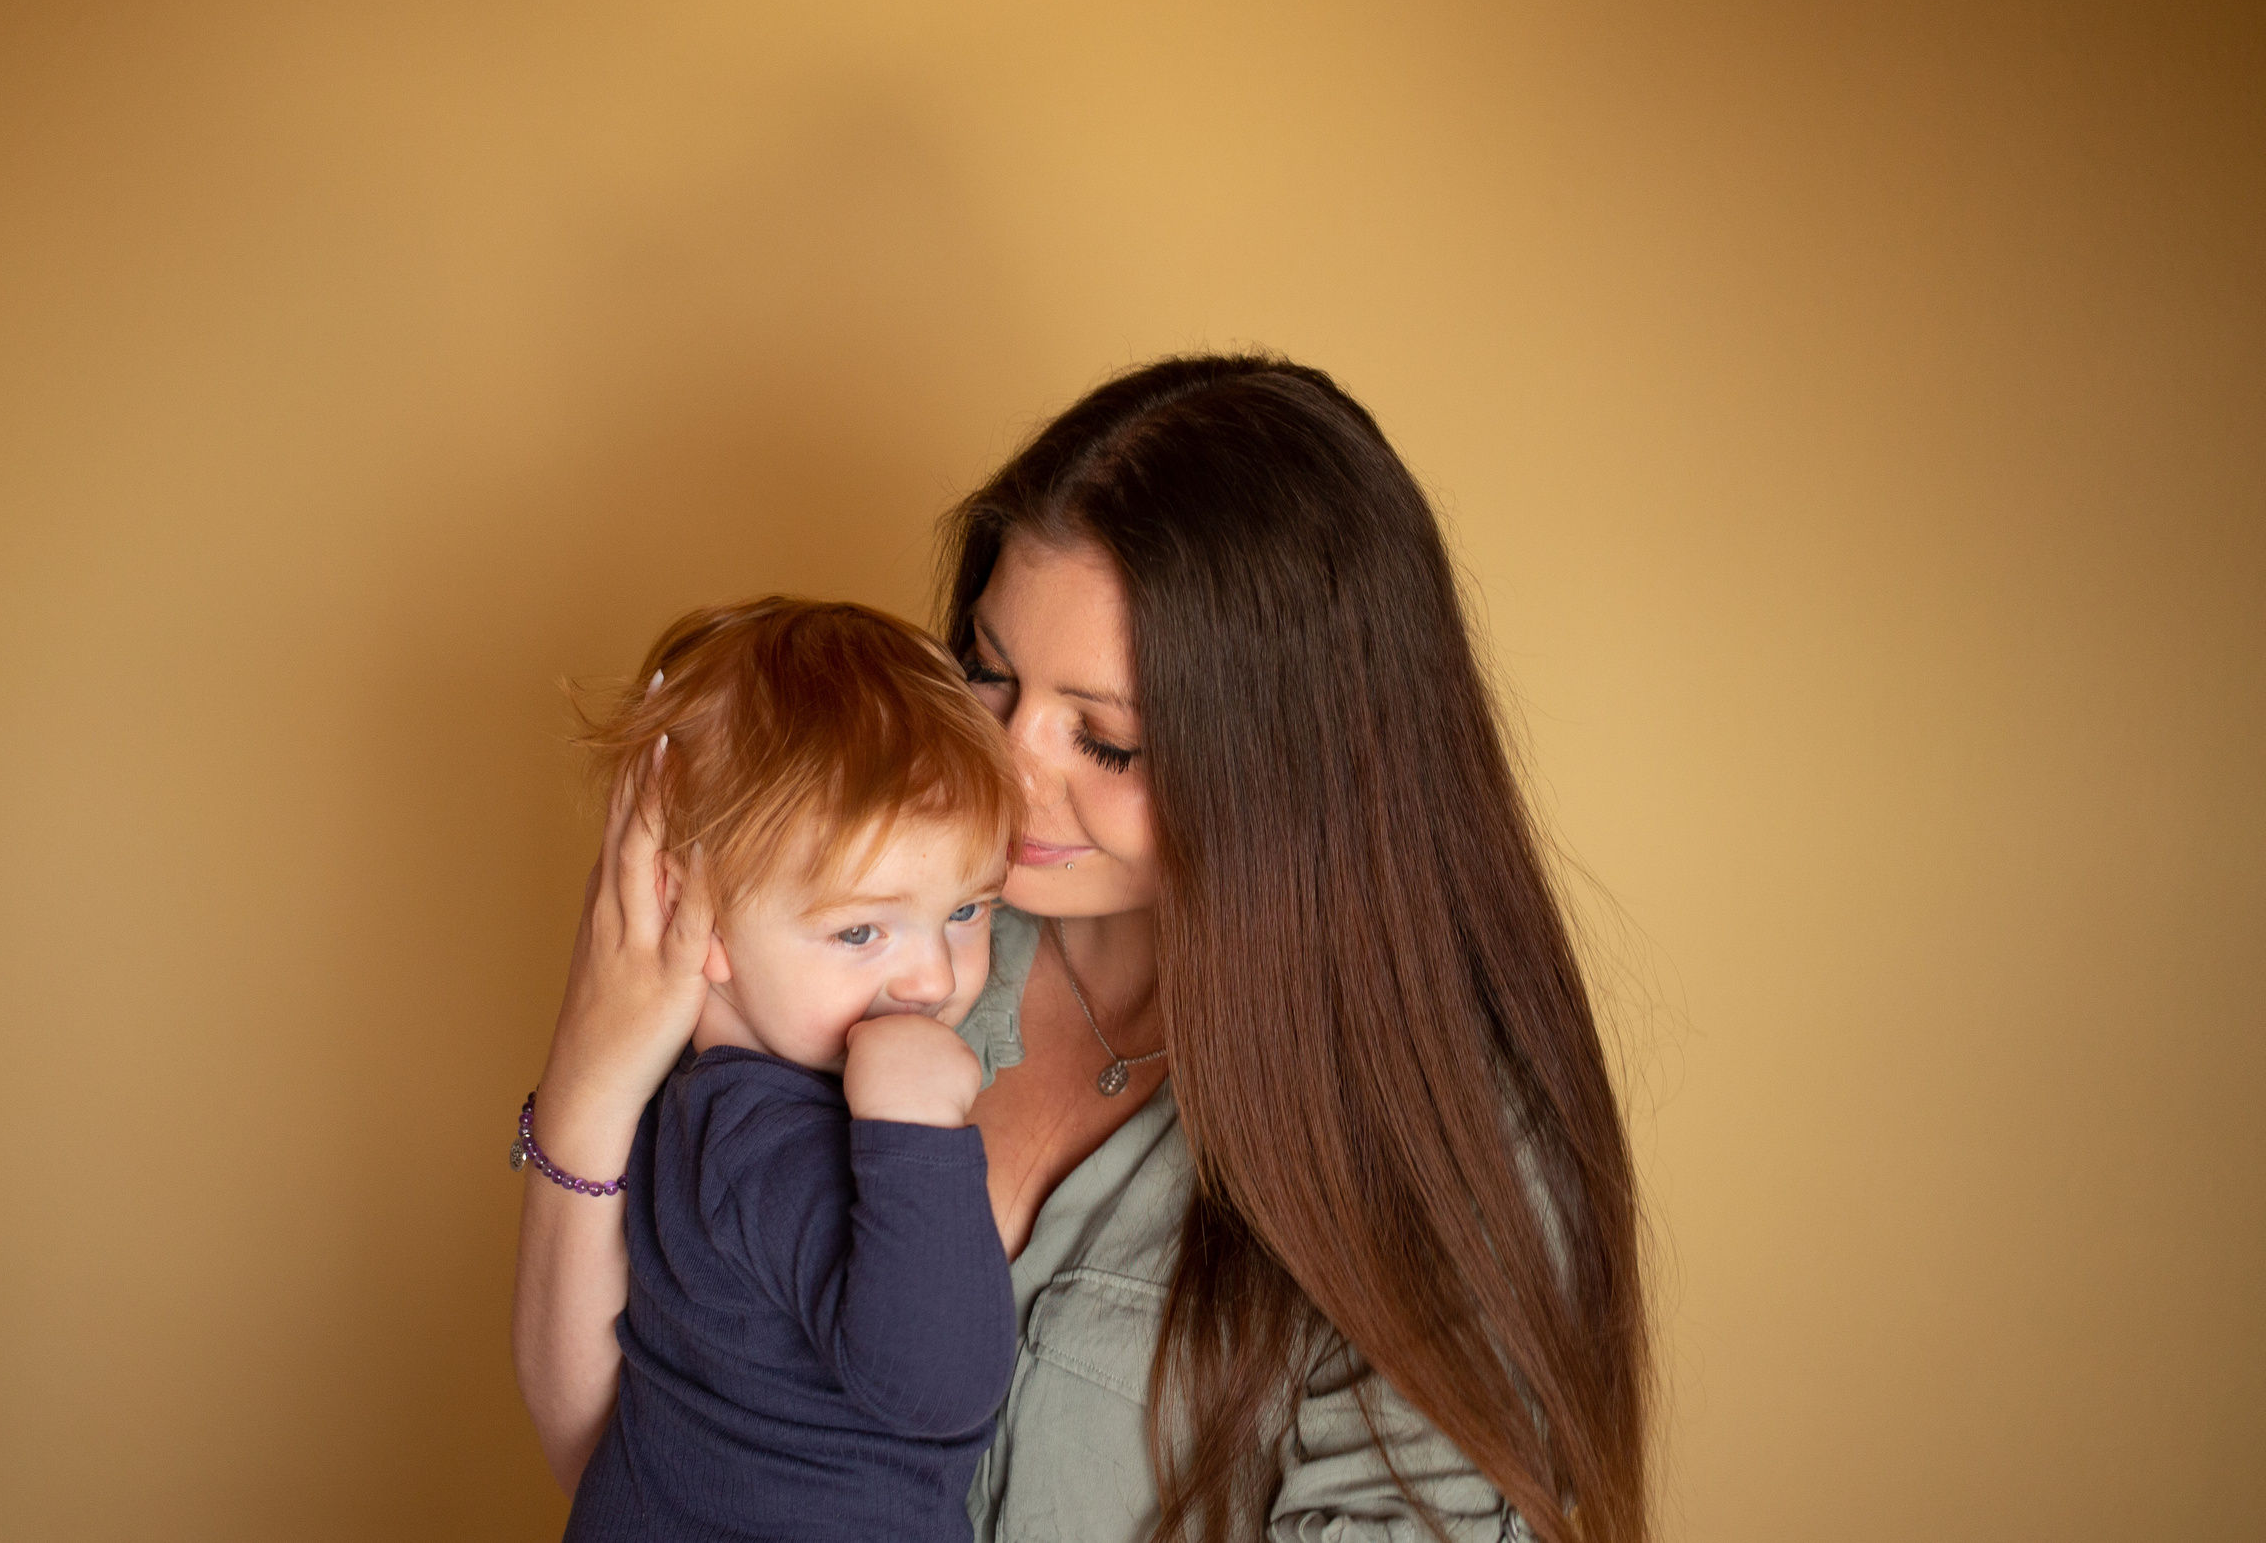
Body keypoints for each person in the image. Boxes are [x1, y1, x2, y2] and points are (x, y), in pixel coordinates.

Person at [516, 355, 1651, 1543]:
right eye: (989, 679)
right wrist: (594, 1083)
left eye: (1105, 742)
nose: (1005, 774)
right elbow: (627, 1449)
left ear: (1299, 771)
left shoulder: (1453, 1150)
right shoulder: (882, 943)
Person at [544, 598, 1026, 1543]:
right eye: (860, 929)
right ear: (698, 916)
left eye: (967, 910)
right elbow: (939, 1384)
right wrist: (918, 1127)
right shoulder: (771, 1143)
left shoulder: (694, 1101)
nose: (933, 976)